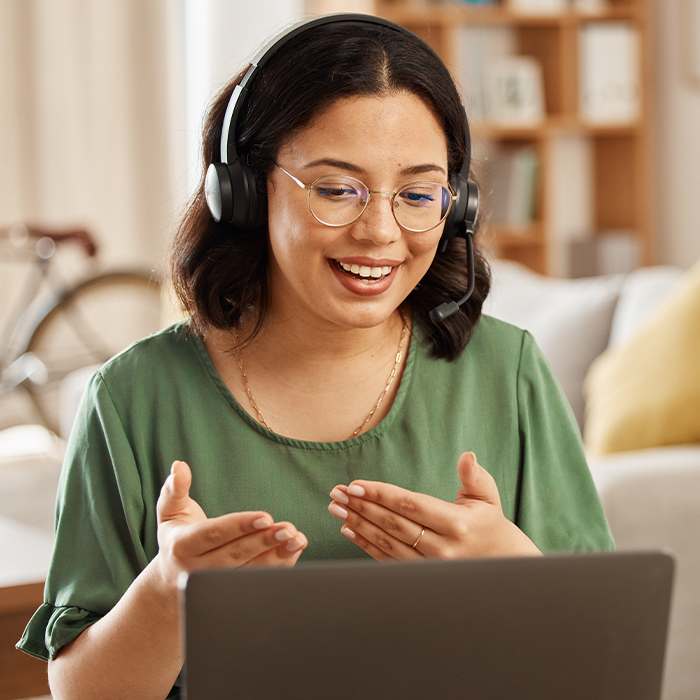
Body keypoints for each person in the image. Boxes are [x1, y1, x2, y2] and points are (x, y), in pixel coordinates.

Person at [17, 14, 614, 700]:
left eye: (417, 195)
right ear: (242, 190)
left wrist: (515, 577)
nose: (380, 232)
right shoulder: (134, 396)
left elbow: (603, 662)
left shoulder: (507, 372)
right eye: (337, 189)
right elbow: (82, 693)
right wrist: (168, 590)